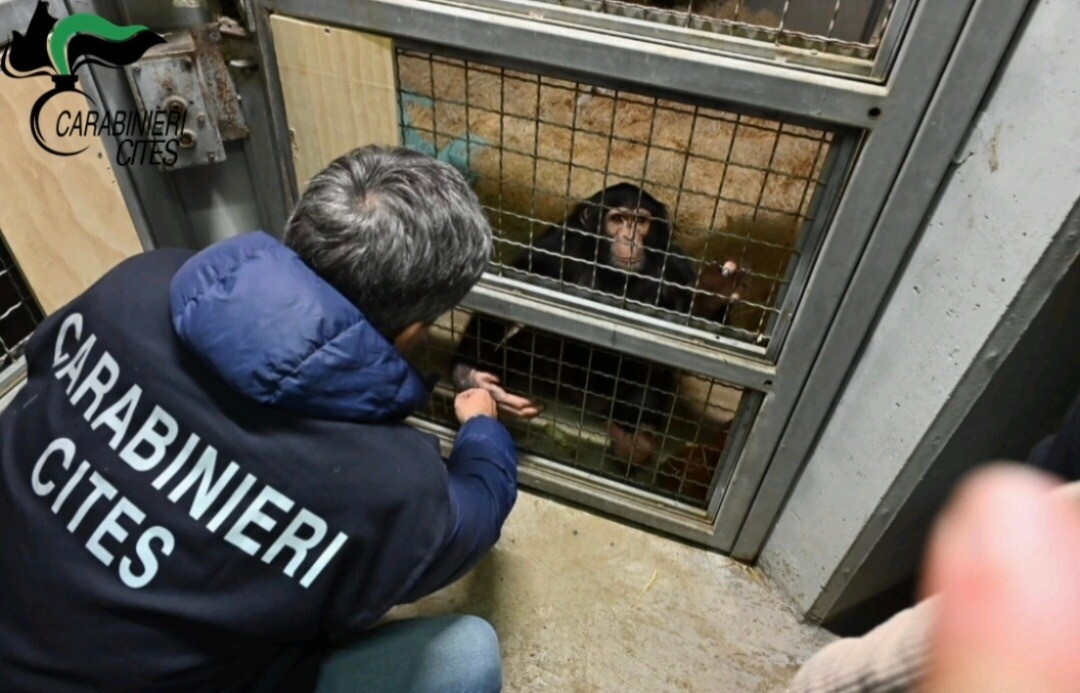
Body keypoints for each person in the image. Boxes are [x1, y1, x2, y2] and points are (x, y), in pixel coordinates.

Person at [0, 145, 518, 691]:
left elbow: (41, 363)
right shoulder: (387, 482)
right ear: (414, 331)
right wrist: (482, 428)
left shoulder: (140, 283)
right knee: (466, 655)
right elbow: (472, 522)